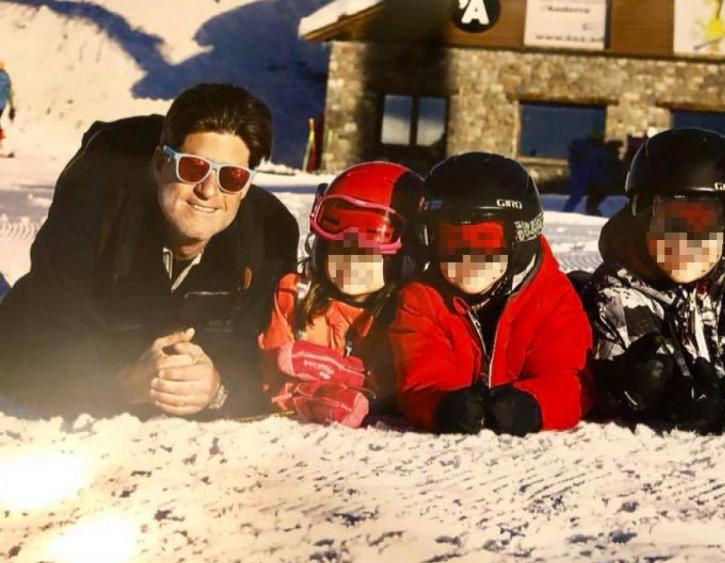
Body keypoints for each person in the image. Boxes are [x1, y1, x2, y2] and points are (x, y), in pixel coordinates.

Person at [0, 83, 299, 419]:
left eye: (231, 176)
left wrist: (217, 389)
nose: (208, 190)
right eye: (193, 168)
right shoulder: (92, 210)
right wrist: (122, 384)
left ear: (246, 186)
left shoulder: (268, 237)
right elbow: (37, 350)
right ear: (159, 164)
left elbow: (262, 364)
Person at [583, 128, 725, 434]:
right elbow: (608, 372)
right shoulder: (618, 289)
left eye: (701, 223)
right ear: (644, 218)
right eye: (671, 221)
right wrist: (643, 388)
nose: (684, 240)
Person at [390, 152, 592, 435]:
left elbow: (571, 380)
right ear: (431, 241)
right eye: (453, 241)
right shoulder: (421, 300)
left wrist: (532, 405)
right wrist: (442, 405)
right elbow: (419, 380)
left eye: (485, 241)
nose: (468, 257)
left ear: (519, 240)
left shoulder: (551, 296)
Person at [258, 162, 423, 426]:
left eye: (368, 253)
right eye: (340, 248)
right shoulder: (295, 296)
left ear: (404, 260)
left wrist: (358, 381)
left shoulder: (408, 315)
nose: (351, 263)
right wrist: (308, 396)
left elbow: (412, 387)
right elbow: (270, 380)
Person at [0, 60, 15, 152]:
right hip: (2, 104)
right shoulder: (7, 77)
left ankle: (2, 144)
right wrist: (12, 107)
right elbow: (10, 93)